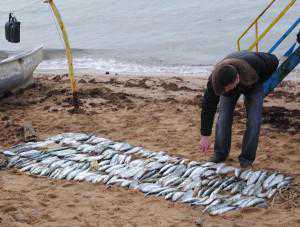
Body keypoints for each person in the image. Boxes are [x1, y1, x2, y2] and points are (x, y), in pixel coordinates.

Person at [199, 50, 279, 168]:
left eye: (228, 88)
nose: (226, 91)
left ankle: (246, 158)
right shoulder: (215, 81)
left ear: (236, 79)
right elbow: (208, 106)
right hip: (233, 76)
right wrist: (205, 135)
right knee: (223, 119)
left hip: (253, 82)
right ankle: (220, 153)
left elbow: (274, 61)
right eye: (224, 89)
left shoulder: (257, 63)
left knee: (254, 121)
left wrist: (260, 82)